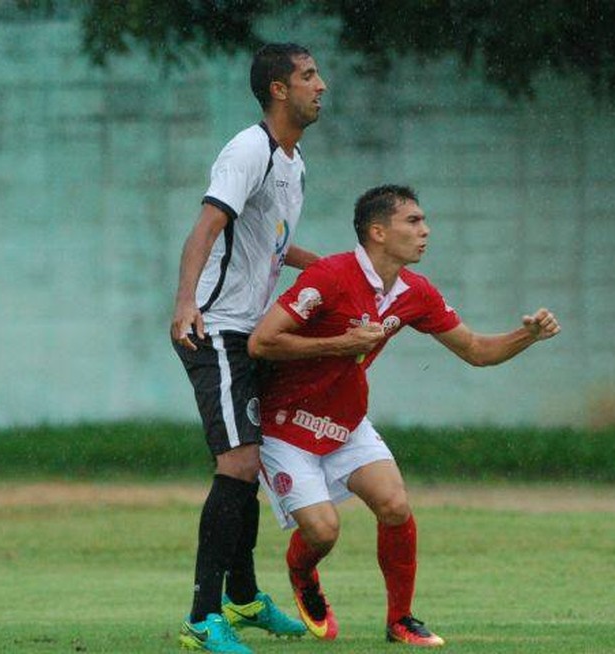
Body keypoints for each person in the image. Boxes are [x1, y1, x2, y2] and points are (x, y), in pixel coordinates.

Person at [247, 184, 561, 648]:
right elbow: (261, 342)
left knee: (395, 506)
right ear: (378, 231)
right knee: (323, 531)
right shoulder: (329, 276)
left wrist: (526, 336)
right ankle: (303, 572)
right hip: (286, 426)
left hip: (346, 422)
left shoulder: (415, 292)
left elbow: (475, 350)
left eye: (423, 221)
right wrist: (343, 344)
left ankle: (401, 620)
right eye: (413, 221)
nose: (425, 231)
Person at [170, 42, 327, 654]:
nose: (322, 85)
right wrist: (186, 304)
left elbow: (271, 247)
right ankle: (203, 617)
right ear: (279, 89)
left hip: (249, 331)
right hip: (217, 328)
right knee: (236, 464)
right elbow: (205, 228)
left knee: (249, 461)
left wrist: (336, 268)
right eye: (309, 76)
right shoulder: (250, 150)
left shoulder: (294, 162)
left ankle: (242, 600)